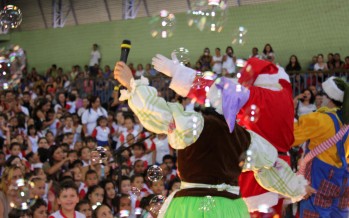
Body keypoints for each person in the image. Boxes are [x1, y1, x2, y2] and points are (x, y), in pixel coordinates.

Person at [151, 54, 315, 216]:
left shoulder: (253, 94)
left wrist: (177, 71)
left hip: (254, 172)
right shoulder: (286, 97)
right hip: (280, 172)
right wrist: (298, 187)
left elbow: (212, 88)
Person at [293, 76, 349, 217]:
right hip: (344, 184)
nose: (318, 97)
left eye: (320, 93)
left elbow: (289, 137)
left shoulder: (320, 119)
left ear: (329, 98)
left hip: (320, 183)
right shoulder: (345, 122)